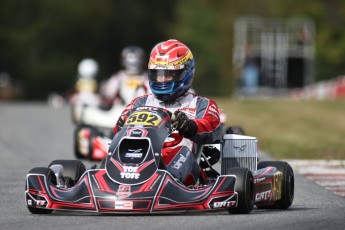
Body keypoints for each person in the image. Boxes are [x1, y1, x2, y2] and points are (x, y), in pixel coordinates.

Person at [112, 39, 222, 186]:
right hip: (142, 155)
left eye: (168, 75)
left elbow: (211, 126)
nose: (162, 80)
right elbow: (118, 131)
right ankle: (107, 181)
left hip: (179, 158)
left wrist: (189, 126)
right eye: (158, 75)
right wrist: (121, 125)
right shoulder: (140, 102)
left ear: (185, 73)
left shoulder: (201, 103)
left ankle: (166, 184)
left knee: (180, 153)